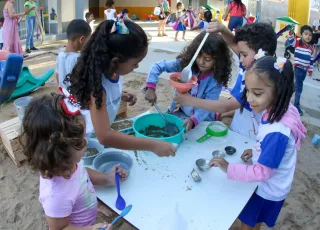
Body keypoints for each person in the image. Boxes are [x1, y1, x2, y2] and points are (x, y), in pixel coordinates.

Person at [210, 56, 306, 230]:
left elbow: (263, 172)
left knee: (249, 224)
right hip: (270, 183)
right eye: (247, 91)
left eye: (257, 93)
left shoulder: (278, 132)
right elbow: (270, 147)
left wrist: (228, 168)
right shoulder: (282, 108)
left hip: (267, 191)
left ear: (279, 90)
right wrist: (257, 150)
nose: (250, 98)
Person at [68, 20, 176, 157]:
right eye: (135, 64)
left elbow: (108, 93)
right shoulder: (97, 89)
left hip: (100, 130)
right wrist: (152, 145)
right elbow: (105, 136)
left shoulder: (113, 71)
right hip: (87, 139)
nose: (136, 67)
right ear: (115, 61)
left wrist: (120, 95)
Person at [21, 94, 123, 230]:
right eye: (79, 141)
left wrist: (107, 179)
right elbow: (60, 229)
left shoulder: (68, 164)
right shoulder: (56, 195)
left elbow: (82, 174)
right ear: (59, 152)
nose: (86, 142)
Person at [174, 21, 277, 140]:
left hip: (251, 132)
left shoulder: (257, 81)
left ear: (261, 54)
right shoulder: (252, 64)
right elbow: (237, 45)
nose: (239, 58)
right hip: (242, 119)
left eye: (243, 55)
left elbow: (224, 106)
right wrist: (223, 30)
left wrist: (190, 100)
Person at [145, 33, 232, 131]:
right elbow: (157, 66)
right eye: (198, 56)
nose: (201, 62)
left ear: (218, 60)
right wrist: (151, 87)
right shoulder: (186, 66)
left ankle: (220, 115)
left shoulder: (216, 80)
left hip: (203, 118)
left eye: (207, 59)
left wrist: (193, 120)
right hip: (181, 111)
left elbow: (208, 106)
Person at [56, 19, 91, 90]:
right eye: (88, 40)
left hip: (65, 98)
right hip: (77, 99)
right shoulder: (79, 59)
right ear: (81, 39)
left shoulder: (60, 56)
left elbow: (57, 76)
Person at [287, 25, 313, 116]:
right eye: (306, 34)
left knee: (295, 87)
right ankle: (296, 105)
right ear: (301, 35)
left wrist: (310, 70)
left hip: (304, 71)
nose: (308, 36)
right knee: (299, 89)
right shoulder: (298, 43)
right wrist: (291, 34)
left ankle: (285, 95)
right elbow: (291, 41)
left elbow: (311, 60)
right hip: (298, 68)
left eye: (310, 35)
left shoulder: (310, 47)